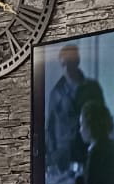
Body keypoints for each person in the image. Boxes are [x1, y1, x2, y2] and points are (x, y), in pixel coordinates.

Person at [45, 45, 106, 175]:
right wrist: (52, 155)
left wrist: (102, 147)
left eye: (70, 63)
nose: (67, 69)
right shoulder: (56, 93)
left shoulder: (92, 88)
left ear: (77, 62)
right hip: (63, 154)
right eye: (64, 64)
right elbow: (50, 127)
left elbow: (103, 119)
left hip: (87, 150)